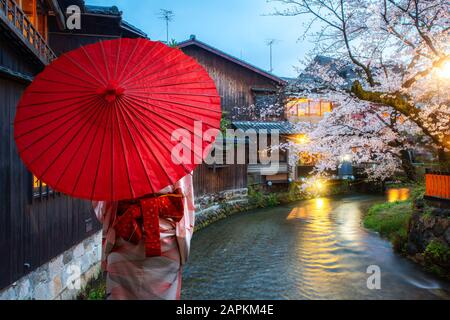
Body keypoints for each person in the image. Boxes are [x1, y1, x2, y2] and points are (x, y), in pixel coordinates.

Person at [92, 173, 195, 300]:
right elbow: (185, 198)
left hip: (124, 236)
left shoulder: (111, 159)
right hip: (165, 243)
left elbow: (103, 210)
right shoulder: (174, 156)